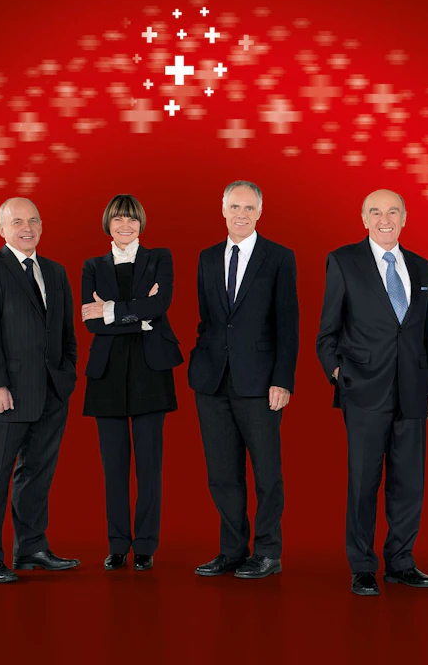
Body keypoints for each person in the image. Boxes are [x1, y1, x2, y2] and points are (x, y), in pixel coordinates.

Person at [316, 189, 428, 596]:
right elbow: (326, 334)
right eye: (375, 212)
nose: (384, 219)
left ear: (405, 218)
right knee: (363, 483)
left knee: (409, 483)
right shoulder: (343, 261)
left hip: (413, 390)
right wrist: (340, 374)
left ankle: (401, 562)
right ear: (363, 217)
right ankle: (362, 566)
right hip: (364, 390)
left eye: (392, 212)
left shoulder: (422, 266)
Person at [0, 197, 79, 583]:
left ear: (42, 225)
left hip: (50, 393)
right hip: (5, 395)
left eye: (32, 220)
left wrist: (67, 377)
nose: (25, 227)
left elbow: (65, 333)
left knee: (37, 475)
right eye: (16, 222)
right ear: (1, 229)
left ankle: (31, 548)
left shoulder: (55, 271)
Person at [188, 180, 299, 579]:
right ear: (223, 210)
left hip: (261, 383)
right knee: (222, 472)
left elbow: (288, 324)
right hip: (213, 382)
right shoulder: (206, 257)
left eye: (249, 208)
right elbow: (208, 319)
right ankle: (232, 550)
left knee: (267, 473)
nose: (241, 214)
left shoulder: (279, 257)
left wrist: (282, 380)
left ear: (260, 212)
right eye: (235, 207)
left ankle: (268, 552)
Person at [81, 194, 182, 571]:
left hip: (149, 370)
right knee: (114, 467)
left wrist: (109, 310)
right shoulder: (92, 265)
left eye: (133, 220)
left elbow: (159, 307)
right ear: (108, 223)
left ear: (141, 223)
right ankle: (118, 544)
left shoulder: (161, 258)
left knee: (149, 464)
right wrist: (136, 315)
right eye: (119, 220)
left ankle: (145, 545)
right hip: (106, 374)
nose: (126, 226)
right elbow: (90, 323)